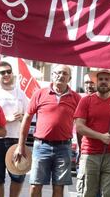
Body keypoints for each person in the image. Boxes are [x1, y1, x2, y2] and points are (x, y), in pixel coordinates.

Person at [14, 64, 81, 197]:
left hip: (64, 147)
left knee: (58, 188)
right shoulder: (39, 93)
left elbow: (80, 125)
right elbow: (27, 119)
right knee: (35, 185)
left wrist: (81, 148)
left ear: (70, 78)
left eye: (64, 73)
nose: (60, 76)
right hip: (41, 146)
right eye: (57, 73)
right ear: (52, 76)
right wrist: (20, 145)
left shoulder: (76, 98)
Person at [74, 69, 110, 197]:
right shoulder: (86, 101)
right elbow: (79, 127)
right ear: (96, 82)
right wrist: (100, 136)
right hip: (90, 155)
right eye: (100, 79)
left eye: (107, 80)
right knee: (86, 193)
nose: (103, 82)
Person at [0, 61, 28, 197]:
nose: (6, 74)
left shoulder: (20, 93)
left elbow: (28, 117)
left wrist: (21, 117)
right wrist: (6, 119)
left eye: (8, 71)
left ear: (12, 74)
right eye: (2, 72)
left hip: (16, 141)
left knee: (18, 177)